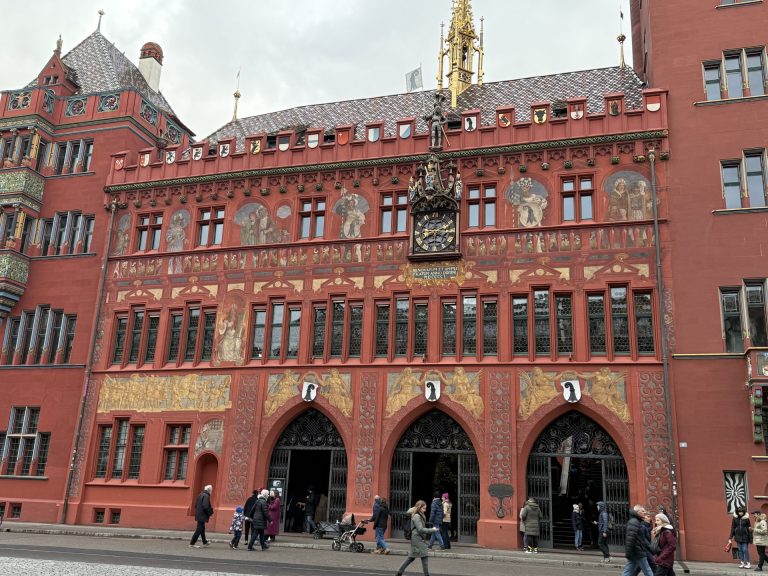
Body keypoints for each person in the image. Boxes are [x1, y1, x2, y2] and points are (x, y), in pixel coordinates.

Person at [395, 500, 439, 576]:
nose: (425, 510)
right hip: (417, 539)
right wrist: (433, 530)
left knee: (411, 557)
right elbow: (420, 529)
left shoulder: (419, 515)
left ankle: (399, 573)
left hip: (418, 538)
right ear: (419, 508)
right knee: (424, 556)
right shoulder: (417, 516)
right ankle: (426, 575)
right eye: (424, 508)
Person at [621, 504, 654, 576]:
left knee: (627, 571)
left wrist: (653, 549)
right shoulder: (634, 522)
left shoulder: (636, 521)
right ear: (637, 512)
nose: (644, 512)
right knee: (648, 571)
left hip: (635, 552)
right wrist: (628, 553)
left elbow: (642, 539)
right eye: (642, 511)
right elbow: (630, 539)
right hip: (638, 552)